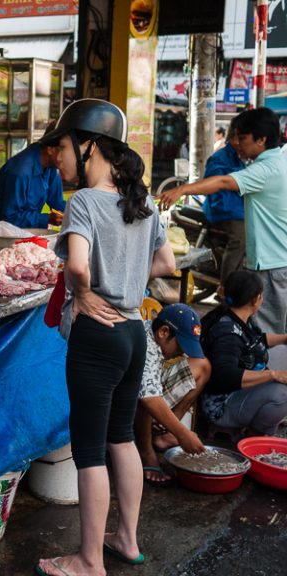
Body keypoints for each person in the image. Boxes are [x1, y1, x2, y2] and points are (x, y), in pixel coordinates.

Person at [36, 99, 176, 576]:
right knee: (121, 439)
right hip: (135, 333)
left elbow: (75, 263)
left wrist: (85, 292)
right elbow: (167, 266)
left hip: (98, 336)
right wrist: (128, 283)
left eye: (64, 148)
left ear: (89, 145)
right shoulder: (142, 201)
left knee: (90, 449)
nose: (59, 158)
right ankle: (127, 541)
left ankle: (89, 559)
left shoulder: (84, 202)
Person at [159, 107, 287, 334]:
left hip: (272, 264)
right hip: (275, 259)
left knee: (268, 331)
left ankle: (267, 370)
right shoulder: (279, 160)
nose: (238, 142)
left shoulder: (266, 169)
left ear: (261, 140)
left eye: (243, 137)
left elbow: (223, 182)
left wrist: (182, 190)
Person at [200, 270, 287, 437]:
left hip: (236, 392)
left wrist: (284, 339)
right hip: (221, 405)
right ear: (255, 299)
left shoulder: (237, 316)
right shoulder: (228, 333)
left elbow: (254, 341)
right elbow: (226, 374)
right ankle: (255, 435)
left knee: (283, 354)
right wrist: (274, 375)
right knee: (282, 394)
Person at [135, 304, 210, 486]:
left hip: (148, 385)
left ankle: (165, 432)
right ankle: (146, 452)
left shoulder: (156, 338)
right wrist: (183, 433)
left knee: (202, 366)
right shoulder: (145, 346)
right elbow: (149, 396)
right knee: (149, 397)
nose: (183, 352)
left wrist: (175, 428)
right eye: (181, 345)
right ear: (163, 332)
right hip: (122, 399)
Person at [0, 124, 65, 232]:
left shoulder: (51, 167)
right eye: (65, 148)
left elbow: (58, 203)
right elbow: (11, 218)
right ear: (51, 149)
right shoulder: (20, 172)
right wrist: (47, 218)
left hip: (22, 231)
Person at [201, 116, 246, 284]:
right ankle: (226, 287)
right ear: (233, 137)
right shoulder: (221, 157)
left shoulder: (242, 157)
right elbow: (213, 186)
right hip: (223, 210)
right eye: (240, 138)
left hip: (238, 209)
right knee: (241, 239)